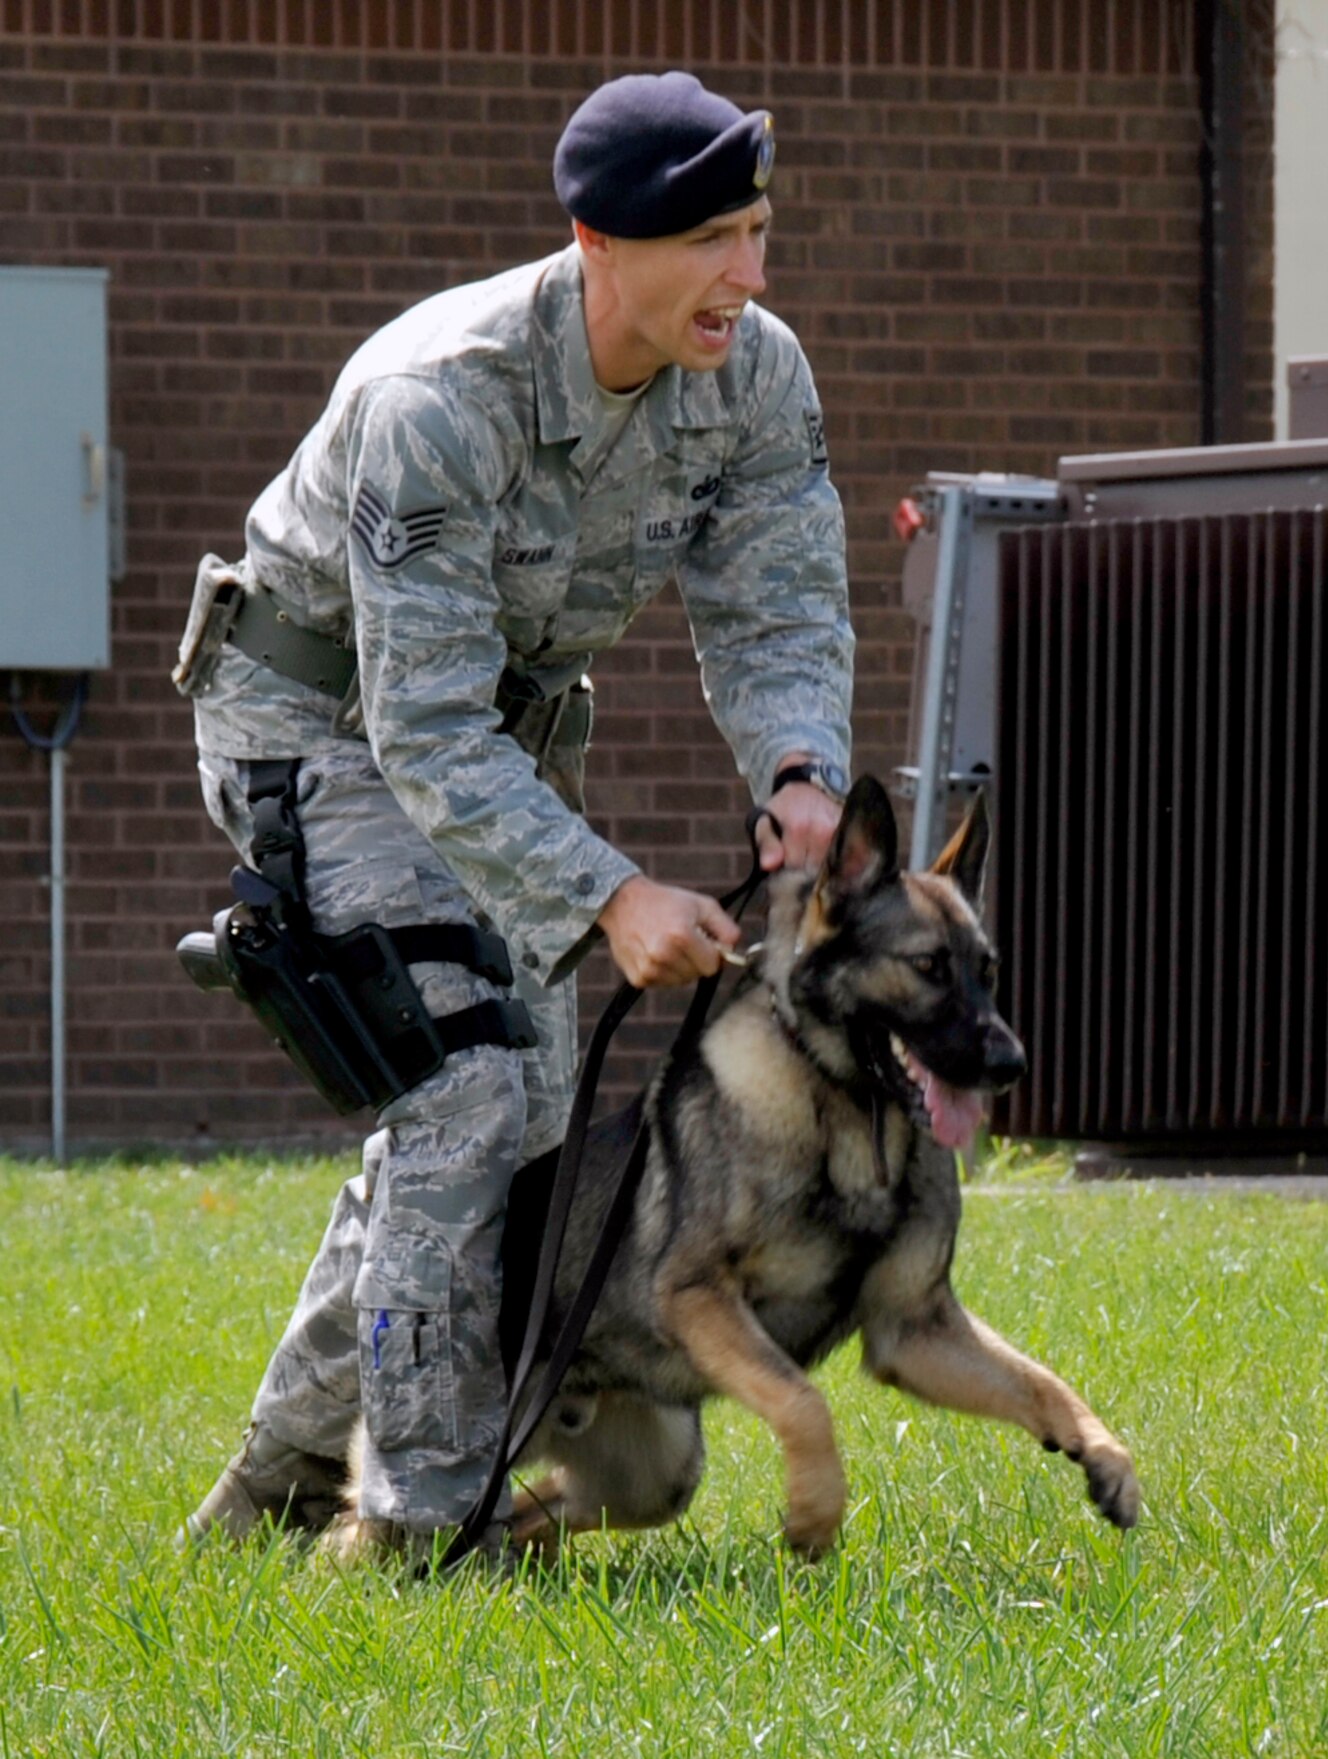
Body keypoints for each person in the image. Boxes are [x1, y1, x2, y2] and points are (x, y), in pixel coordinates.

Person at [172, 71, 854, 1559]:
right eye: (718, 241)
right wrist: (611, 895)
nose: (752, 274)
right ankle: (428, 1522)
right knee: (466, 1086)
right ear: (601, 240)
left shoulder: (754, 370)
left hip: (501, 743)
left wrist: (799, 774)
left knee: (524, 1102)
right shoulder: (442, 394)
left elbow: (776, 599)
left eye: (760, 231)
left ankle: (273, 1496)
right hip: (319, 732)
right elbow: (415, 724)